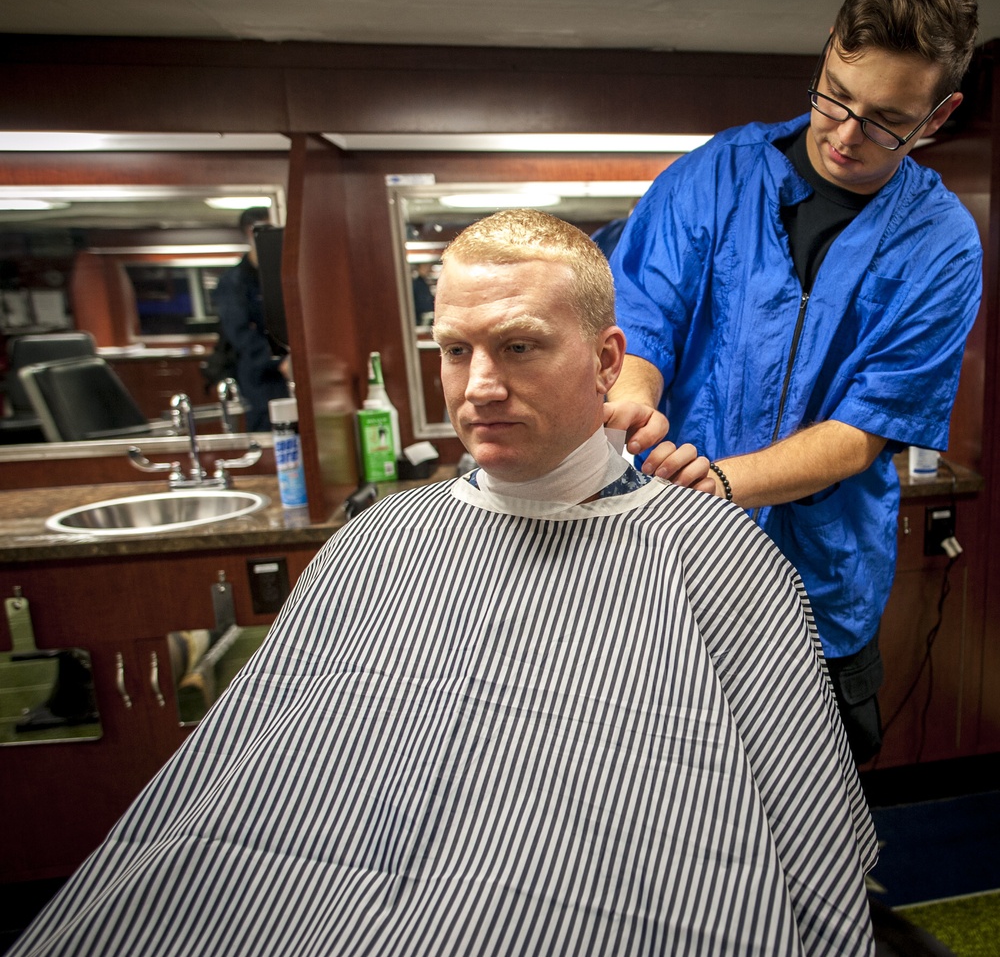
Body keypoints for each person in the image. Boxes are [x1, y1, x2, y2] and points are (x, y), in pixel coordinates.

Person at [10, 210, 876, 956]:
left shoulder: (714, 555)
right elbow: (247, 786)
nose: (481, 387)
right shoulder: (378, 540)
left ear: (609, 361)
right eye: (456, 350)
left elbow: (803, 827)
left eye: (520, 346)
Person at [605, 0, 982, 762]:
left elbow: (862, 431)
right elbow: (642, 316)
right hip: (678, 574)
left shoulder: (943, 245)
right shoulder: (717, 174)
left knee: (812, 819)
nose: (845, 135)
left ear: (938, 115)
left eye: (885, 120)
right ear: (824, 55)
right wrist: (636, 399)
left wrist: (722, 482)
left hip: (823, 592)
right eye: (835, 96)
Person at [213, 206, 291, 430]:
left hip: (293, 370)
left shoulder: (282, 277)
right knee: (271, 431)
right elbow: (239, 332)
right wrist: (279, 361)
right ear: (251, 232)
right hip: (262, 376)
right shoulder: (234, 282)